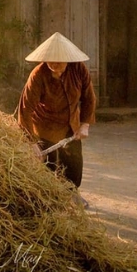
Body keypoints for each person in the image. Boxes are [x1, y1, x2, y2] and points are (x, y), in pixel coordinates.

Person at [16, 32, 96, 193]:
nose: (54, 66)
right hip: (45, 126)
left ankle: (72, 196)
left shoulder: (79, 69)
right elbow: (25, 110)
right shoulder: (38, 75)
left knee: (74, 166)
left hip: (70, 125)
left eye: (59, 63)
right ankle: (51, 199)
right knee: (49, 168)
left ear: (68, 59)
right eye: (50, 62)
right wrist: (31, 142)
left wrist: (85, 124)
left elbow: (89, 97)